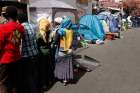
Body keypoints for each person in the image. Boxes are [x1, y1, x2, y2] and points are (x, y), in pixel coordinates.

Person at [0, 6, 24, 93]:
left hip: (5, 60)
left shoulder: (2, 28)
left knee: (3, 83)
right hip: (17, 58)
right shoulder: (20, 27)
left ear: (6, 15)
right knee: (14, 82)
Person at [17, 13, 40, 93]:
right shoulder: (33, 26)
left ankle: (33, 90)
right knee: (34, 72)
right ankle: (37, 88)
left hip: (26, 55)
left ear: (19, 20)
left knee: (28, 75)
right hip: (35, 52)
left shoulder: (21, 28)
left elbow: (19, 42)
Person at [36, 17, 54, 91]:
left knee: (42, 69)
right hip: (49, 52)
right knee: (48, 67)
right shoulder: (50, 32)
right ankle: (49, 81)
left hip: (42, 54)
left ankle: (44, 85)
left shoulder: (39, 34)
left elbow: (36, 44)